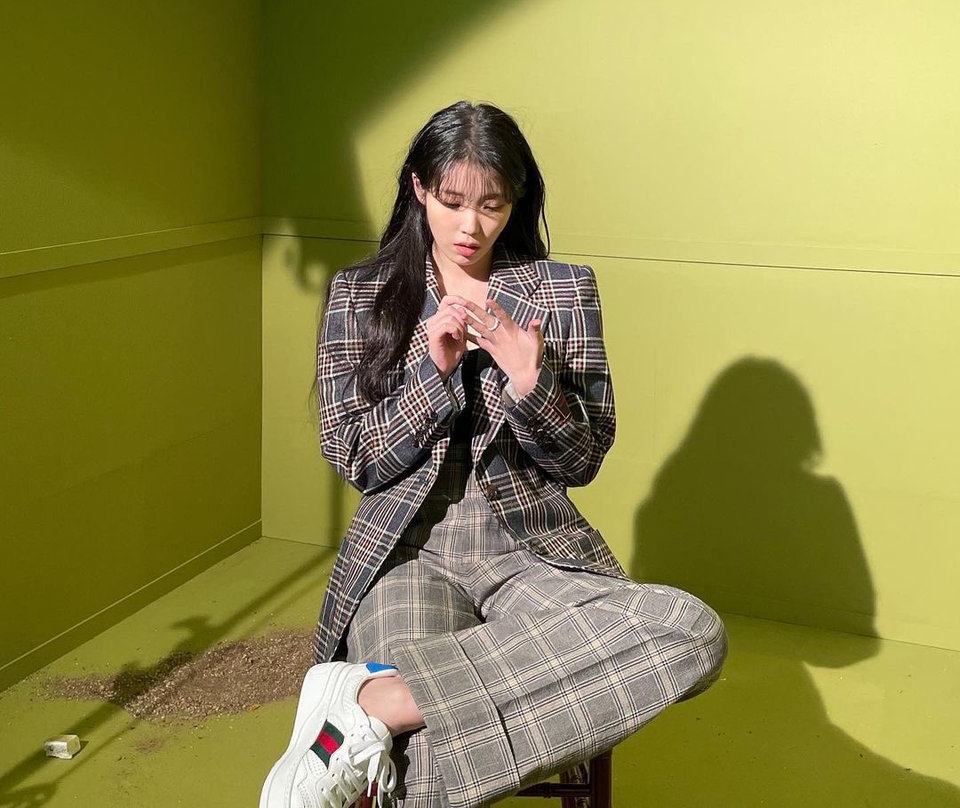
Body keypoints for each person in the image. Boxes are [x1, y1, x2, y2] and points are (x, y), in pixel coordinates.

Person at [260, 101, 727, 808]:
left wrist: (531, 382)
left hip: (530, 551)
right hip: (408, 552)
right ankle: (399, 714)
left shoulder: (562, 290)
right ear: (419, 188)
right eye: (452, 202)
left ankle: (375, 701)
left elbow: (582, 461)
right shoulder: (361, 294)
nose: (471, 227)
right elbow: (355, 457)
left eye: (492, 205)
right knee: (420, 746)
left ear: (516, 201)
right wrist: (433, 374)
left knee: (690, 632)